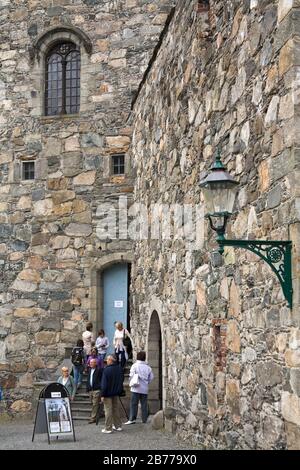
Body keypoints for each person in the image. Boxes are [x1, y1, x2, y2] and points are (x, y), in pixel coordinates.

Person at [124, 351, 154, 425]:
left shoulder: (135, 366)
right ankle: (144, 419)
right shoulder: (148, 367)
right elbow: (152, 377)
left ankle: (132, 419)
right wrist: (147, 382)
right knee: (144, 403)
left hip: (136, 387)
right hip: (144, 388)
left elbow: (131, 375)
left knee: (134, 403)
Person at [100, 354, 124, 433]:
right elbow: (121, 380)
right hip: (116, 392)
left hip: (107, 393)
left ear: (110, 360)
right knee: (115, 409)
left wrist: (102, 394)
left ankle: (108, 428)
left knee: (108, 410)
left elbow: (104, 384)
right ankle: (118, 426)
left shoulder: (106, 370)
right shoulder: (119, 369)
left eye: (107, 359)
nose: (106, 361)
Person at [86, 358, 103, 424]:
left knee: (95, 404)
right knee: (92, 403)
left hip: (96, 390)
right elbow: (88, 379)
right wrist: (87, 388)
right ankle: (100, 413)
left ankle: (93, 418)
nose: (90, 364)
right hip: (91, 389)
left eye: (92, 363)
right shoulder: (90, 370)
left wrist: (100, 387)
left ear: (95, 363)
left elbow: (101, 379)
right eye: (90, 363)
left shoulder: (99, 370)